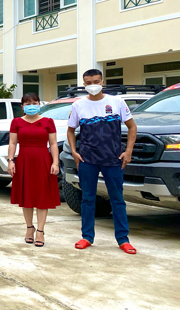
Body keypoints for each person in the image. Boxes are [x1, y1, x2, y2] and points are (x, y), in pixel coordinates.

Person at [67, 69, 137, 254]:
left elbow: (132, 127)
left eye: (96, 81)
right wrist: (74, 152)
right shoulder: (78, 105)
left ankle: (123, 239)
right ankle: (86, 237)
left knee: (117, 200)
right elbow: (70, 130)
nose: (92, 85)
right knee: (87, 199)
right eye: (88, 82)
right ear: (84, 84)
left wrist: (128, 151)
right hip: (87, 159)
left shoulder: (117, 102)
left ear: (102, 81)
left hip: (113, 159)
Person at [7, 93, 61, 247]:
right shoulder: (16, 122)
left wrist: (55, 162)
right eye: (28, 103)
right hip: (24, 161)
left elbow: (54, 144)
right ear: (22, 106)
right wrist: (11, 161)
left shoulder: (48, 122)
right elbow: (12, 143)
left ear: (39, 104)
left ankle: (41, 231)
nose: (32, 105)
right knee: (27, 196)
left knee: (42, 197)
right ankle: (29, 228)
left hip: (44, 161)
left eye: (35, 102)